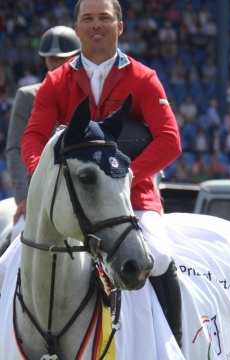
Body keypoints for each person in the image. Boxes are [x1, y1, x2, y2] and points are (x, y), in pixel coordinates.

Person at [21, 0, 183, 346]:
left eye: (104, 18)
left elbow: (170, 141)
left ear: (119, 26)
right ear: (77, 28)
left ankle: (173, 341)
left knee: (159, 256)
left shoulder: (143, 78)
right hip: (65, 201)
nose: (96, 25)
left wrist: (123, 180)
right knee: (10, 258)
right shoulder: (55, 81)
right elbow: (33, 137)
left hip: (131, 198)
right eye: (88, 19)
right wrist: (43, 181)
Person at [6, 26, 81, 239]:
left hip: (81, 190)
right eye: (51, 59)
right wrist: (23, 197)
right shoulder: (26, 95)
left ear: (76, 57)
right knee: (18, 235)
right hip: (37, 191)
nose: (55, 64)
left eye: (61, 58)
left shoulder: (90, 94)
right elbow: (15, 148)